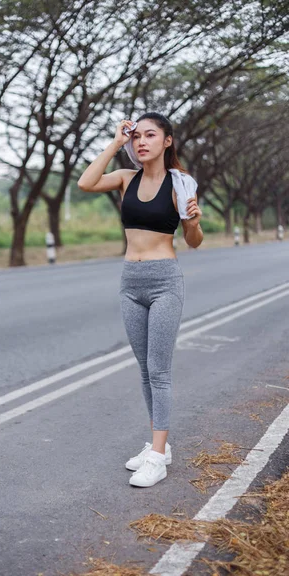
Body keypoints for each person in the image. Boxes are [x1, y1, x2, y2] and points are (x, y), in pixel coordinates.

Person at [78, 112, 203, 487]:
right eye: (136, 137)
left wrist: (194, 222)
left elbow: (193, 242)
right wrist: (115, 141)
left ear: (167, 141)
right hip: (130, 281)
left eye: (151, 135)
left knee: (159, 371)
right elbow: (86, 183)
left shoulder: (180, 185)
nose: (141, 142)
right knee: (145, 371)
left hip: (165, 280)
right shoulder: (125, 179)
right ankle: (158, 447)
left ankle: (158, 458)